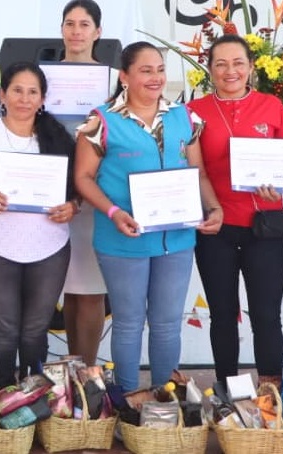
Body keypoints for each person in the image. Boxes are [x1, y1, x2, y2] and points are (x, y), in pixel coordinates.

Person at [72, 41, 223, 391]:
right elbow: (82, 178)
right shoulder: (101, 120)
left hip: (178, 238)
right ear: (125, 76)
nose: (155, 78)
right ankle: (127, 401)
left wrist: (214, 207)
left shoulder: (184, 116)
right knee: (128, 323)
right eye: (145, 70)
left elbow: (197, 171)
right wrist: (113, 212)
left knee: (168, 323)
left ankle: (163, 400)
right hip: (123, 237)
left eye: (159, 70)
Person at [0, 62, 79, 387]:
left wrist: (73, 207)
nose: (24, 98)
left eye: (32, 92)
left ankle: (35, 402)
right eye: (17, 90)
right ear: (2, 95)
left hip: (49, 247)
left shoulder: (57, 138)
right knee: (4, 329)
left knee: (35, 330)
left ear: (43, 98)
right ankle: (5, 402)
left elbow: (78, 188)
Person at [186, 34, 283, 385]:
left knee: (266, 315)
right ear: (210, 69)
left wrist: (277, 183)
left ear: (250, 67)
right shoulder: (194, 112)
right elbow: (194, 170)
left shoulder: (271, 106)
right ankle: (228, 394)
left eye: (238, 63)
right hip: (215, 227)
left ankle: (270, 394)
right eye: (221, 64)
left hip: (265, 226)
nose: (230, 71)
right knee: (222, 314)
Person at [57, 0, 112, 366]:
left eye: (84, 24)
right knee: (66, 291)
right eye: (70, 23)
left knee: (90, 291)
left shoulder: (112, 83)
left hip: (95, 196)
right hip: (53, 199)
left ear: (98, 32)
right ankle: (70, 371)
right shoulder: (42, 77)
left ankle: (86, 374)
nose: (76, 31)